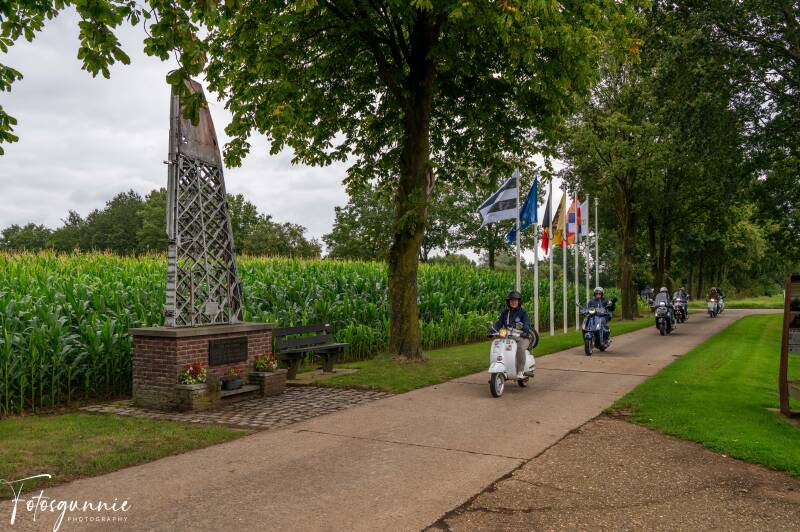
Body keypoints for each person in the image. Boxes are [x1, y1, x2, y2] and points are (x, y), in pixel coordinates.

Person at [494, 290, 533, 378]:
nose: (513, 302)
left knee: (520, 348)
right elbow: (499, 324)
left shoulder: (523, 313)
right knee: (498, 345)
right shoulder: (505, 313)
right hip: (508, 336)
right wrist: (492, 330)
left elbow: (527, 326)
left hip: (522, 337)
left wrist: (522, 326)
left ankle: (520, 371)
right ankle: (501, 367)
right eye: (511, 301)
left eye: (515, 300)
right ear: (508, 302)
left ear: (519, 301)